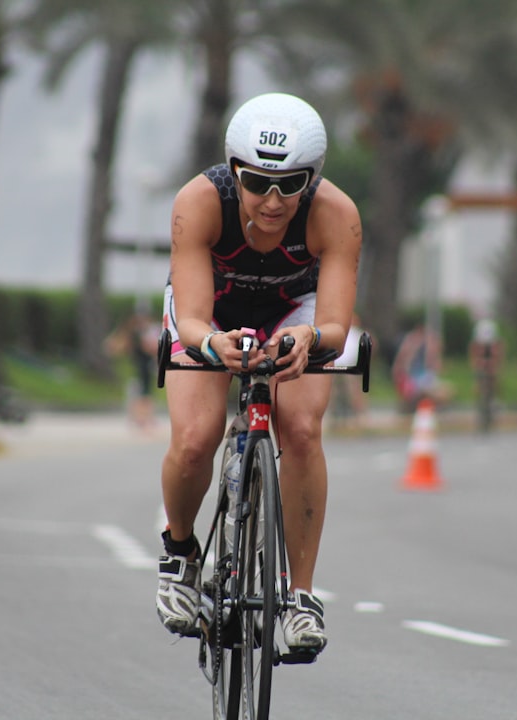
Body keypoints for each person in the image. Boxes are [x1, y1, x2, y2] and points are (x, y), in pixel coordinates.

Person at [155, 92, 361, 655]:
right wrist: (211, 343)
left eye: (290, 185)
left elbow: (337, 326)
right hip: (213, 312)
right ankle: (179, 554)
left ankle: (300, 598)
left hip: (296, 312)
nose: (272, 201)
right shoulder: (198, 202)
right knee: (196, 437)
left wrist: (310, 339)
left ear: (311, 180)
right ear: (234, 170)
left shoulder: (336, 215)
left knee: (300, 430)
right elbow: (193, 318)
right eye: (257, 183)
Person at [106, 306, 160, 430]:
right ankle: (142, 418)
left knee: (141, 392)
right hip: (140, 366)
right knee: (143, 393)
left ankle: (142, 418)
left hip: (140, 366)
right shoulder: (137, 334)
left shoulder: (134, 333)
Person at [391, 322, 450, 413]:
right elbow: (402, 362)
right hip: (414, 378)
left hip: (421, 377)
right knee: (431, 390)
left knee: (442, 390)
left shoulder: (426, 347)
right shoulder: (411, 344)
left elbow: (435, 363)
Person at [468, 318, 503, 431]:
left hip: (491, 370)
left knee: (493, 386)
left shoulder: (496, 344)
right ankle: (481, 415)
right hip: (481, 370)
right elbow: (474, 360)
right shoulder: (476, 345)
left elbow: (498, 359)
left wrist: (493, 367)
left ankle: (492, 407)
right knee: (479, 387)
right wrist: (479, 365)